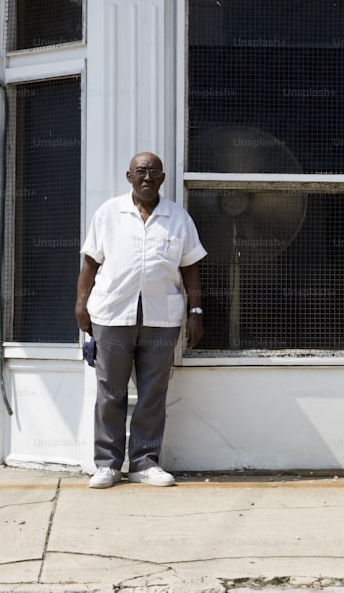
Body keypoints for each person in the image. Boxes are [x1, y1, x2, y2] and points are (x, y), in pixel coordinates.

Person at [75, 152, 206, 488]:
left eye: (154, 173)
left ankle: (145, 463)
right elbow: (90, 264)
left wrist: (195, 312)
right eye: (141, 172)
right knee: (110, 391)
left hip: (161, 318)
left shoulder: (178, 218)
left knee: (152, 392)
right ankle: (107, 464)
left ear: (162, 178)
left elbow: (190, 269)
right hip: (112, 315)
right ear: (128, 176)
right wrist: (81, 305)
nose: (147, 177)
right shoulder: (108, 214)